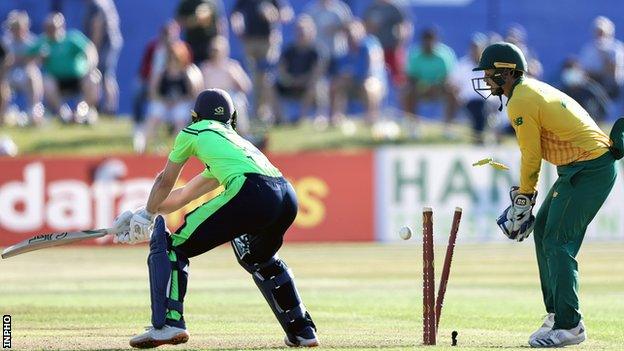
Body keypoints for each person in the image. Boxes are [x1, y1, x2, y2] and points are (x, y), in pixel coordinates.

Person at [113, 89, 319, 348]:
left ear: (194, 116)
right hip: (286, 194)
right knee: (258, 258)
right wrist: (142, 212)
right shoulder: (235, 143)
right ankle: (302, 330)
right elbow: (183, 196)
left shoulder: (193, 132)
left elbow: (164, 181)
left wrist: (149, 214)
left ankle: (169, 323)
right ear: (231, 118)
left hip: (251, 190)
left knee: (173, 247)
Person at [472, 42, 624, 348]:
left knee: (558, 241)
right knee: (542, 232)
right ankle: (557, 315)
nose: (486, 80)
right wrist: (527, 199)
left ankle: (570, 326)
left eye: (490, 74)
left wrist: (524, 198)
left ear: (507, 73)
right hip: (578, 167)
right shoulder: (526, 91)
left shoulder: (521, 100)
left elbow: (531, 155)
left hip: (591, 168)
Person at [27, 12, 99, 124]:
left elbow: (90, 50)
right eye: (48, 28)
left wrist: (90, 67)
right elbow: (27, 59)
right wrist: (39, 58)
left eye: (53, 27)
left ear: (61, 26)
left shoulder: (72, 38)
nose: (51, 31)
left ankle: (82, 112)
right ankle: (64, 114)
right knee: (46, 82)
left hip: (78, 79)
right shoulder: (43, 42)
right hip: (57, 81)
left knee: (94, 77)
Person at [83, 0, 123, 114]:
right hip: (110, 42)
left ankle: (110, 108)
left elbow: (98, 25)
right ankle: (105, 106)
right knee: (104, 74)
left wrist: (94, 48)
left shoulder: (96, 3)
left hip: (104, 44)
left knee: (105, 74)